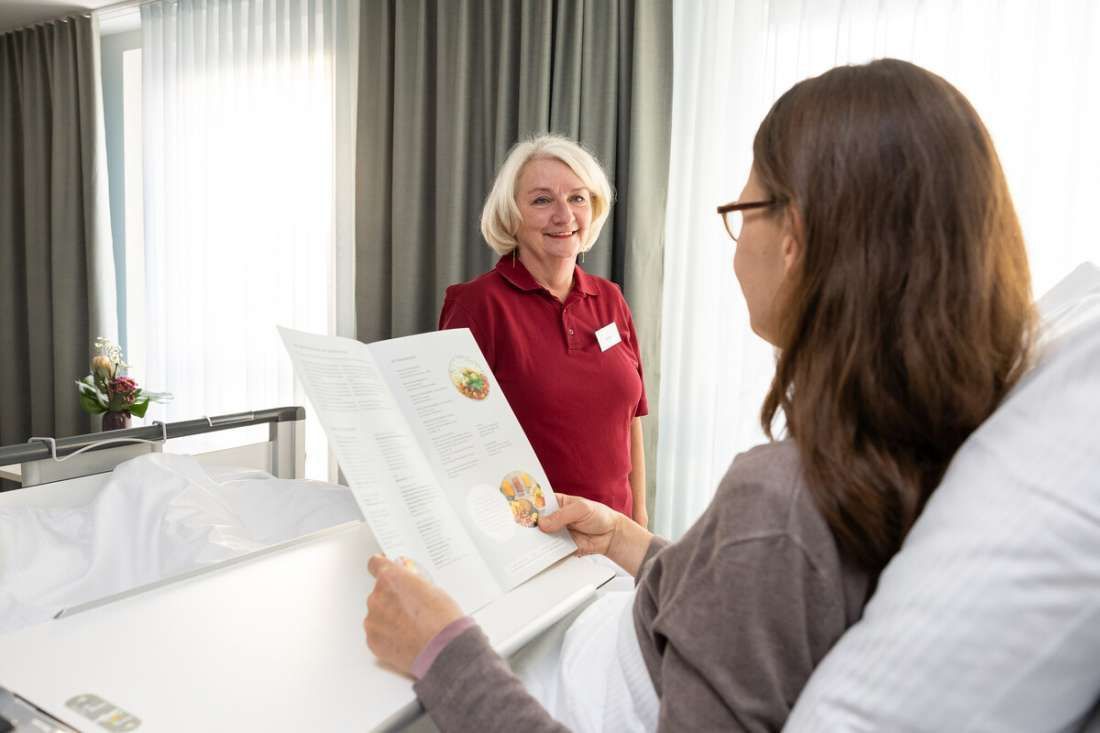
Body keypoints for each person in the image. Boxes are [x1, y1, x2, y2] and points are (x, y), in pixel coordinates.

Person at [363, 58, 1036, 730]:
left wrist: (442, 650)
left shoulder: (776, 504)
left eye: (742, 211)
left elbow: (746, 576)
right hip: (554, 556)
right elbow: (741, 606)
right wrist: (635, 541)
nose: (564, 213)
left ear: (796, 241)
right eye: (543, 199)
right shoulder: (927, 470)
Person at [438, 134, 650, 526]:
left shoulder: (610, 299)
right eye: (542, 200)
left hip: (613, 535)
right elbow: (456, 442)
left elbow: (632, 421)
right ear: (510, 215)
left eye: (577, 198)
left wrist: (638, 525)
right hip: (531, 537)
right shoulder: (477, 305)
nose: (564, 215)